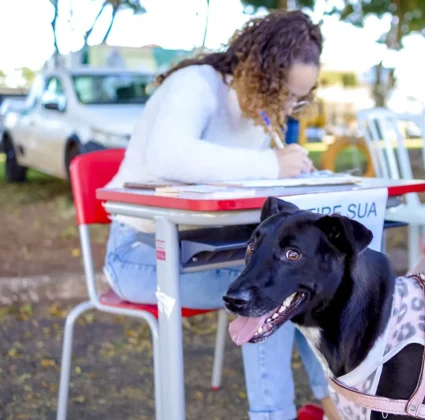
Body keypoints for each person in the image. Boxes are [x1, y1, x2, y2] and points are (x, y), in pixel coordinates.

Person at [102, 10, 339, 420]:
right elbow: (167, 156)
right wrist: (271, 165)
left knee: (308, 283)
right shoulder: (194, 86)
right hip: (139, 255)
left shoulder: (257, 111)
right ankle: (283, 413)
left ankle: (337, 402)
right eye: (284, 92)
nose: (288, 105)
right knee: (274, 291)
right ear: (261, 70)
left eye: (299, 98)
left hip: (210, 254)